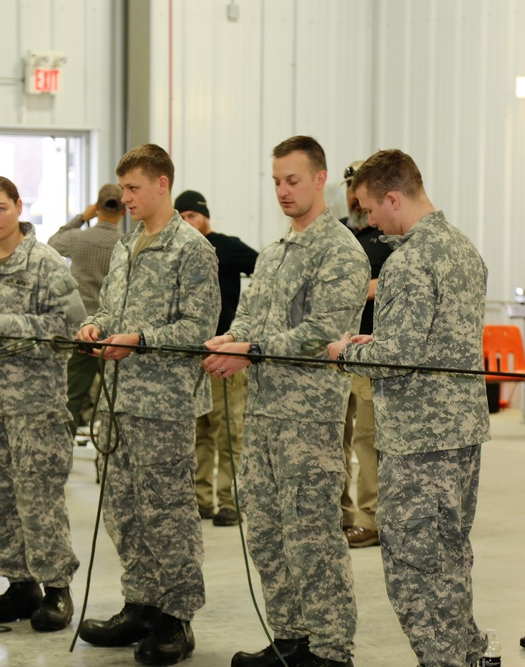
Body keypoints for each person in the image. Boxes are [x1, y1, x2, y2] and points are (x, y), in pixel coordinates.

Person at [204, 136, 366, 667]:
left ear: (320, 180)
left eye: (292, 180)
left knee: (313, 536)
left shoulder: (340, 251)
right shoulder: (274, 253)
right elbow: (250, 319)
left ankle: (331, 649)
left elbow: (323, 332)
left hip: (309, 418)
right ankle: (292, 638)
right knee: (269, 530)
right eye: (275, 181)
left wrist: (251, 350)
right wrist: (231, 340)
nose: (282, 190)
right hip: (266, 415)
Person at [327, 149, 490, 667]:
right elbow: (434, 340)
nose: (369, 221)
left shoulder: (409, 260)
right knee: (448, 558)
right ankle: (464, 654)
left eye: (371, 208)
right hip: (459, 432)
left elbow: (397, 358)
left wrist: (345, 352)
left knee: (416, 570)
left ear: (393, 198)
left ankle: (444, 659)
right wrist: (380, 339)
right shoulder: (462, 248)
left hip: (420, 440)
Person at [75, 144, 219, 666]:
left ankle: (177, 618)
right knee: (124, 511)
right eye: (123, 189)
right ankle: (141, 604)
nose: (126, 198)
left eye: (135, 189)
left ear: (163, 185)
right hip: (118, 401)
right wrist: (97, 324)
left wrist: (138, 338)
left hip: (164, 404)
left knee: (168, 513)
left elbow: (197, 330)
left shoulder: (191, 250)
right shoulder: (126, 244)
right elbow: (112, 307)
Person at [0, 175, 84, 632]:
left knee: (38, 499)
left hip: (35, 406)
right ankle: (19, 583)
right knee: (1, 498)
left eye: (0, 209)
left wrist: (11, 323)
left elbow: (72, 328)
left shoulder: (45, 262)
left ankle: (57, 589)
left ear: (19, 207)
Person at [174, 189, 258, 527]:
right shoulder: (180, 252)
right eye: (181, 218)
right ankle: (201, 499)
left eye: (192, 216)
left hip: (225, 357)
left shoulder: (226, 245)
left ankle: (229, 501)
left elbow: (263, 268)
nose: (187, 223)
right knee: (200, 434)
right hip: (192, 359)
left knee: (229, 433)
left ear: (205, 216)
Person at [338, 160, 392, 549]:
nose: (353, 197)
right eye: (349, 189)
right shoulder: (340, 235)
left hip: (371, 351)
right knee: (334, 436)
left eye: (359, 190)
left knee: (367, 439)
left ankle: (370, 518)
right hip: (337, 352)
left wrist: (363, 287)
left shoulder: (387, 238)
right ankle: (340, 513)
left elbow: (391, 286)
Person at [47, 183, 125, 431]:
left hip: (81, 330)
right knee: (117, 401)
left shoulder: (78, 239)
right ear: (124, 211)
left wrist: (81, 218)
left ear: (97, 207)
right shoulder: (126, 245)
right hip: (115, 333)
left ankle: (62, 453)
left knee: (72, 398)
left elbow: (52, 242)